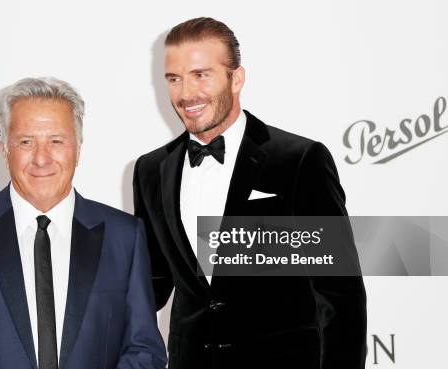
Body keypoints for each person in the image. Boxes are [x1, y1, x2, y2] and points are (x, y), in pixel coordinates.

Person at [133, 17, 366, 369]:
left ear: (236, 78)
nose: (185, 93)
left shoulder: (299, 160)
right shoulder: (151, 170)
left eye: (201, 74)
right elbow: (150, 284)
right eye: (174, 79)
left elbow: (339, 294)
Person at [0, 77, 166, 369]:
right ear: (4, 148)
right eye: (26, 142)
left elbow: (145, 350)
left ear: (77, 148)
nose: (42, 158)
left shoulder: (124, 236)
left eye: (56, 141)